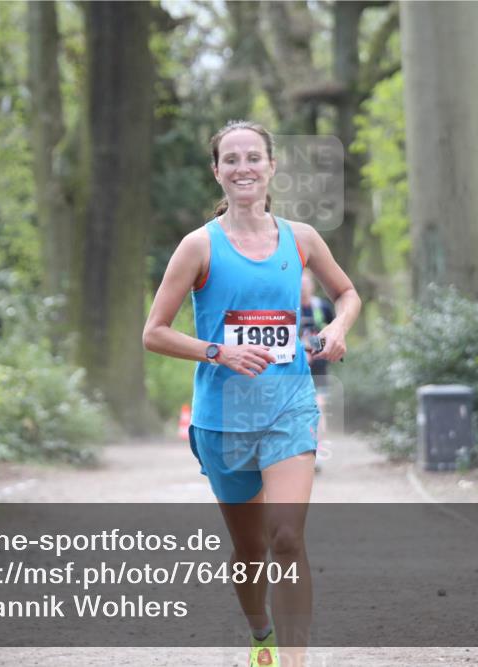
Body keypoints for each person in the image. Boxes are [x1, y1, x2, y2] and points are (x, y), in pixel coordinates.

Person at [143, 120, 361, 667]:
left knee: (288, 539)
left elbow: (348, 293)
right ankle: (261, 633)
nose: (244, 168)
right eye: (231, 160)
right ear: (217, 172)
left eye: (253, 158)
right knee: (252, 550)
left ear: (271, 167)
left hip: (288, 407)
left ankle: (294, 661)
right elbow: (154, 332)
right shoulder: (199, 246)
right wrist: (219, 352)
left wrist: (337, 328)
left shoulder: (302, 238)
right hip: (223, 419)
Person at [299, 269, 335, 470]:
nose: (303, 288)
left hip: (319, 371)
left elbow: (333, 333)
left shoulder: (322, 307)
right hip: (293, 373)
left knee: (318, 410)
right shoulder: (288, 309)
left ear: (312, 285)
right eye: (300, 284)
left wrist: (313, 348)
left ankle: (317, 452)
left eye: (306, 284)